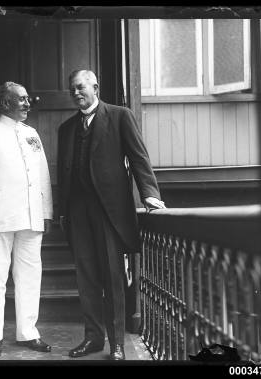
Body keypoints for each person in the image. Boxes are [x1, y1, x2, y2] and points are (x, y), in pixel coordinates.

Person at [57, 70, 165, 360]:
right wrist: (62, 211)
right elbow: (63, 175)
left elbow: (139, 157)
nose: (76, 93)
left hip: (109, 212)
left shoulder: (120, 116)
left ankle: (117, 344)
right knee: (86, 278)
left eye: (81, 87)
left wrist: (150, 195)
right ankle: (93, 338)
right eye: (72, 90)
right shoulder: (66, 129)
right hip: (78, 212)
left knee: (113, 277)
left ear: (95, 86)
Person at [0, 81, 54, 359]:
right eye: (22, 99)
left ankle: (28, 332)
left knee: (30, 277)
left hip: (30, 217)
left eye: (28, 99)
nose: (28, 104)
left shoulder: (32, 134)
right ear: (5, 103)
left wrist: (46, 212)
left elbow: (43, 176)